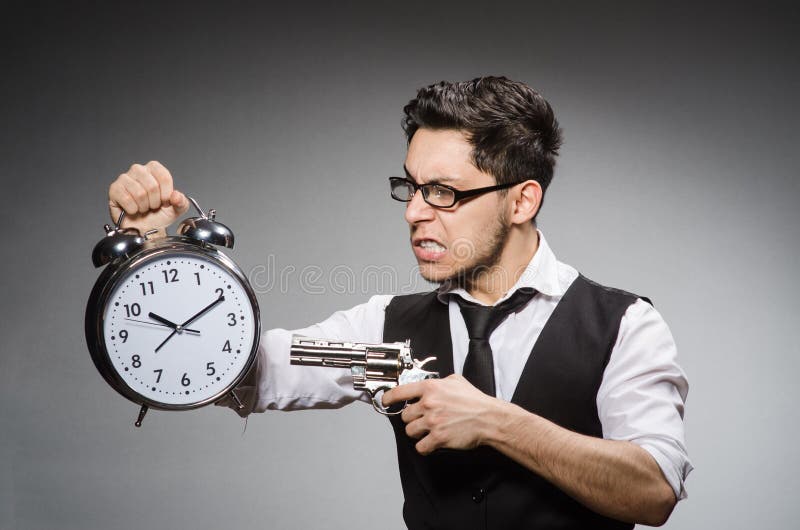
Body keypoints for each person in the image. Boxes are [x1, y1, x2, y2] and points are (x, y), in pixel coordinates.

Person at [106, 76, 691, 529]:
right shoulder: (383, 330)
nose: (414, 212)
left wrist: (496, 423)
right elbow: (242, 368)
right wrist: (158, 252)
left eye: (444, 192)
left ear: (521, 201)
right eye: (411, 188)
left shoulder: (623, 325)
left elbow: (653, 488)